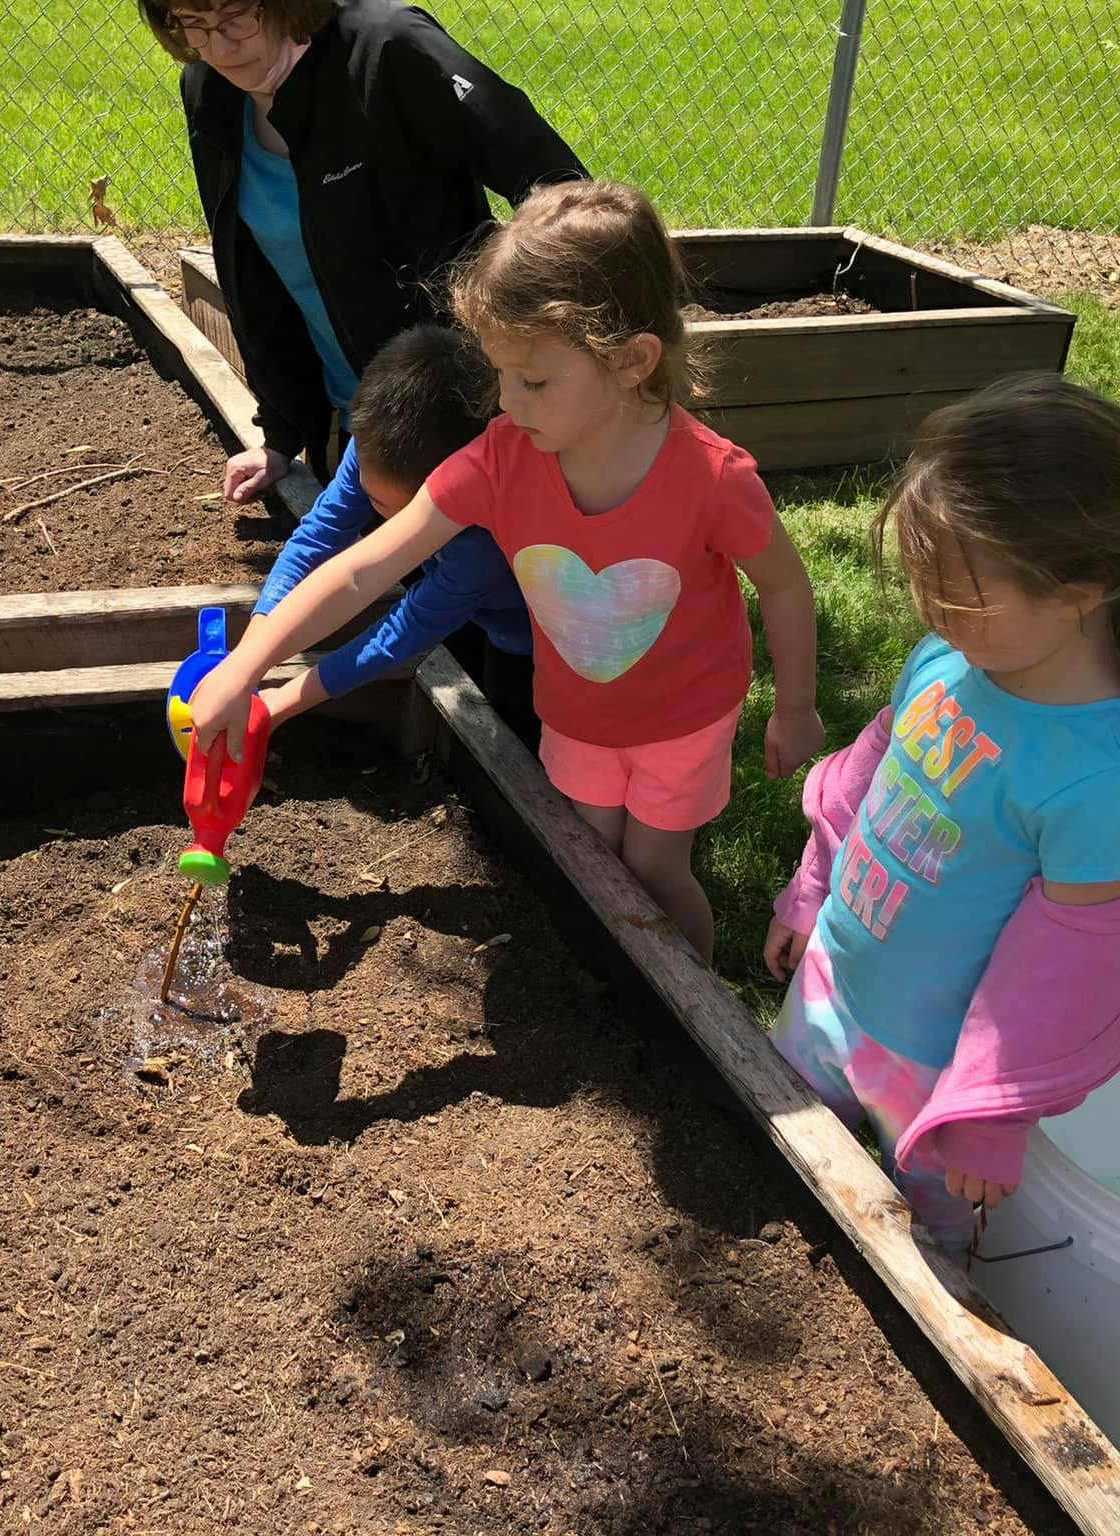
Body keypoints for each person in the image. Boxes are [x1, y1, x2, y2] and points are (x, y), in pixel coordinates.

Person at [186, 180, 824, 963]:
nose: (505, 403)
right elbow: (360, 569)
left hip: (683, 719)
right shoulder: (501, 459)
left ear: (631, 361)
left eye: (534, 380)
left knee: (656, 870)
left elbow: (786, 585)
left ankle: (692, 1001)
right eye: (500, 375)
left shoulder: (712, 478)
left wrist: (794, 709)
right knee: (593, 863)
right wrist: (248, 665)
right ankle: (622, 982)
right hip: (576, 716)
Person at [763, 375, 1120, 1251]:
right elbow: (867, 785)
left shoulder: (1095, 777)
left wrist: (992, 1113)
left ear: (1080, 591)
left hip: (938, 1079)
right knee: (774, 1173)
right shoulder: (951, 656)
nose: (928, 610)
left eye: (956, 589)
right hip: (832, 986)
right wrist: (813, 887)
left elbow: (1065, 962)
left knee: (925, 1254)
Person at [138, 0, 585, 502]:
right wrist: (280, 436)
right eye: (194, 24)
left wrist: (535, 354)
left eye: (236, 18)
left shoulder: (388, 48)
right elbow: (256, 274)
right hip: (355, 431)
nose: (218, 47)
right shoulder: (210, 91)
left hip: (467, 418)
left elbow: (560, 193)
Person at [249, 323, 537, 746]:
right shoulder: (379, 441)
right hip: (465, 599)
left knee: (515, 728)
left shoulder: (482, 547)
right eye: (368, 494)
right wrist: (253, 647)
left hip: (529, 637)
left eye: (393, 512)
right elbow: (319, 532)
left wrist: (282, 702)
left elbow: (405, 629)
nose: (384, 523)